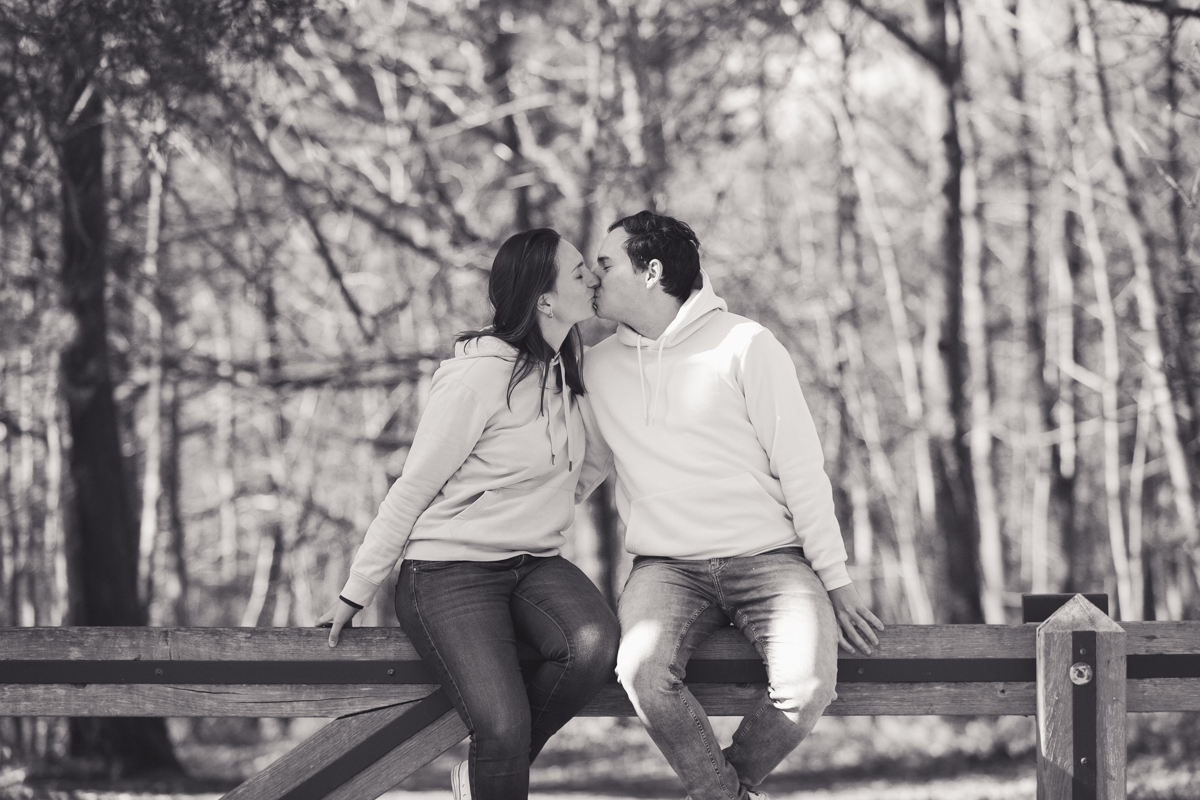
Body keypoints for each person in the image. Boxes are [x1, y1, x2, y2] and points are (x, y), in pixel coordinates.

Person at [580, 210, 884, 800]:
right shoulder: (599, 367)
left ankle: (719, 789)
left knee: (809, 684)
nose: (594, 276)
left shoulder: (746, 344)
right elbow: (582, 472)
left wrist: (835, 578)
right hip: (665, 569)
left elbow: (801, 468)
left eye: (606, 263)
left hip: (770, 558)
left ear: (651, 272)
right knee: (641, 672)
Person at [318, 228, 620, 800]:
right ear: (544, 299)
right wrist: (356, 589)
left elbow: (589, 465)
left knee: (594, 644)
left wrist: (539, 507)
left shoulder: (568, 373)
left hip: (533, 564)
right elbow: (413, 487)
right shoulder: (477, 376)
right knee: (501, 725)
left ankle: (485, 775)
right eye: (579, 270)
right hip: (448, 572)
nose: (593, 277)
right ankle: (495, 763)